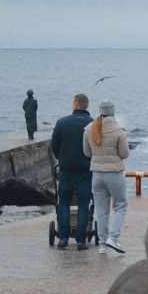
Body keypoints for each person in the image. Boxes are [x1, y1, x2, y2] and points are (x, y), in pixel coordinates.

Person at [83, 100, 129, 254]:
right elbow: (124, 154)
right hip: (114, 173)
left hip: (96, 174)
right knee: (120, 206)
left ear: (100, 111)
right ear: (112, 111)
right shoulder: (119, 129)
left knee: (102, 211)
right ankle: (113, 238)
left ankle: (102, 244)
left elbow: (87, 153)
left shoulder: (89, 129)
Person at [50, 93, 93, 250]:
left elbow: (54, 145)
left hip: (67, 169)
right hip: (85, 169)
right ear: (86, 105)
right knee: (83, 204)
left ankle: (63, 238)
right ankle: (81, 241)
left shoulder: (62, 122)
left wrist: (61, 158)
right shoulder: (93, 124)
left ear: (75, 104)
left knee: (64, 203)